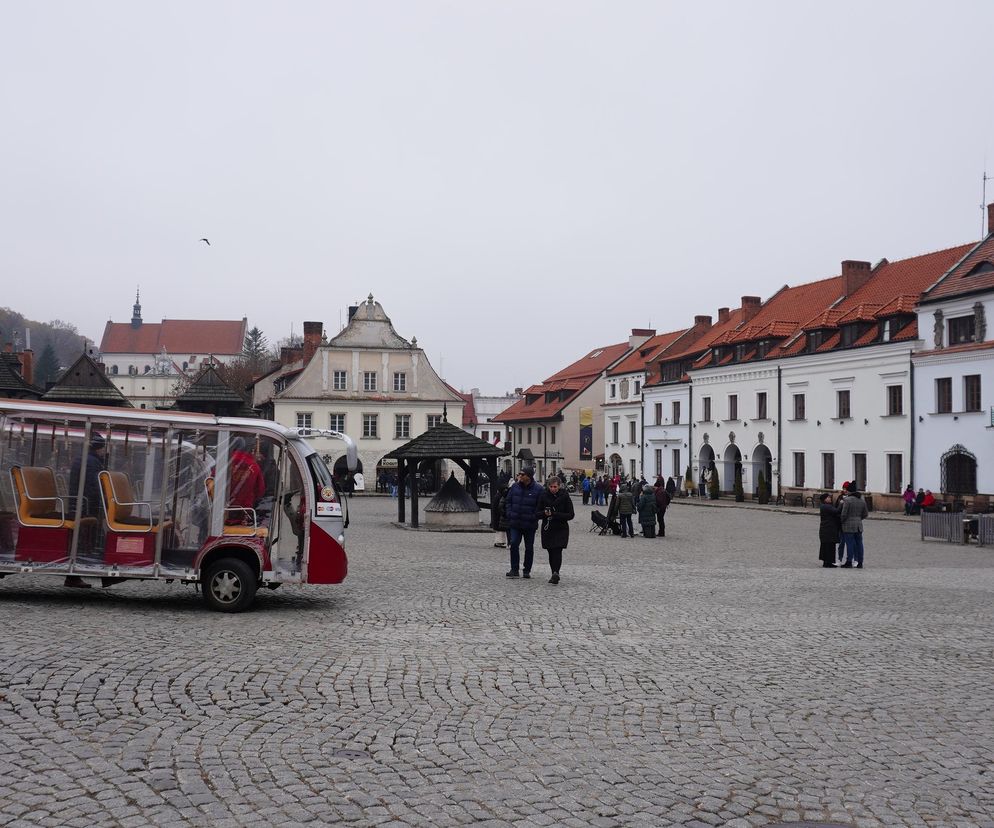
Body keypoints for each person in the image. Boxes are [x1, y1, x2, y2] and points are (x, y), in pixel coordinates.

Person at [65, 433, 107, 588]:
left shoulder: (89, 459)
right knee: (84, 541)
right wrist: (102, 505)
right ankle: (75, 573)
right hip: (84, 507)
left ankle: (76, 574)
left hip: (82, 505)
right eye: (103, 447)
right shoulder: (90, 462)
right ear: (98, 448)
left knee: (88, 539)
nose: (104, 450)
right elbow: (92, 487)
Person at [505, 467, 543, 578]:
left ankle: (527, 570)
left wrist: (534, 516)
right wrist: (510, 513)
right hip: (515, 522)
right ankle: (514, 569)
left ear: (529, 476)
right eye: (520, 474)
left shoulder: (538, 489)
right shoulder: (515, 487)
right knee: (514, 543)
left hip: (529, 524)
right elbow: (508, 501)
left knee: (529, 547)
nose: (520, 476)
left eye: (522, 474)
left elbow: (540, 506)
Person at [539, 475, 574, 584]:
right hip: (548, 527)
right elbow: (536, 513)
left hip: (561, 527)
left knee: (557, 550)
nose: (553, 489)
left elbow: (570, 514)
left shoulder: (565, 497)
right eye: (551, 486)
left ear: (559, 486)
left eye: (555, 487)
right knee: (550, 551)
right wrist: (544, 513)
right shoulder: (543, 496)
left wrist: (555, 514)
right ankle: (553, 571)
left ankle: (556, 572)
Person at [227, 436, 265, 522]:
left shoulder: (225, 461)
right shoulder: (253, 465)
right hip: (245, 512)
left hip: (222, 512)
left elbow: (211, 483)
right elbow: (260, 490)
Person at [840, 486, 869, 568]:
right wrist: (859, 519)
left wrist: (842, 521)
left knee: (850, 543)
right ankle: (860, 562)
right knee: (859, 544)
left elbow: (844, 513)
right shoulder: (862, 500)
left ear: (849, 492)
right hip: (859, 525)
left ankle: (849, 561)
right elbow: (865, 514)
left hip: (848, 525)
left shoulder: (847, 500)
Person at [818, 492, 841, 568]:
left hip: (827, 529)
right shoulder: (826, 506)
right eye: (828, 497)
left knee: (827, 546)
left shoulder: (825, 506)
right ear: (824, 499)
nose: (830, 498)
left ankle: (827, 562)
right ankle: (828, 562)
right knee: (829, 546)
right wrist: (841, 504)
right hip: (828, 529)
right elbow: (836, 511)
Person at [491, 481, 510, 549]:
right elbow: (498, 507)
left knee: (501, 530)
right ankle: (499, 542)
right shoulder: (499, 497)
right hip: (498, 516)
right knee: (500, 530)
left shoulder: (499, 496)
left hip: (499, 516)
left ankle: (500, 541)